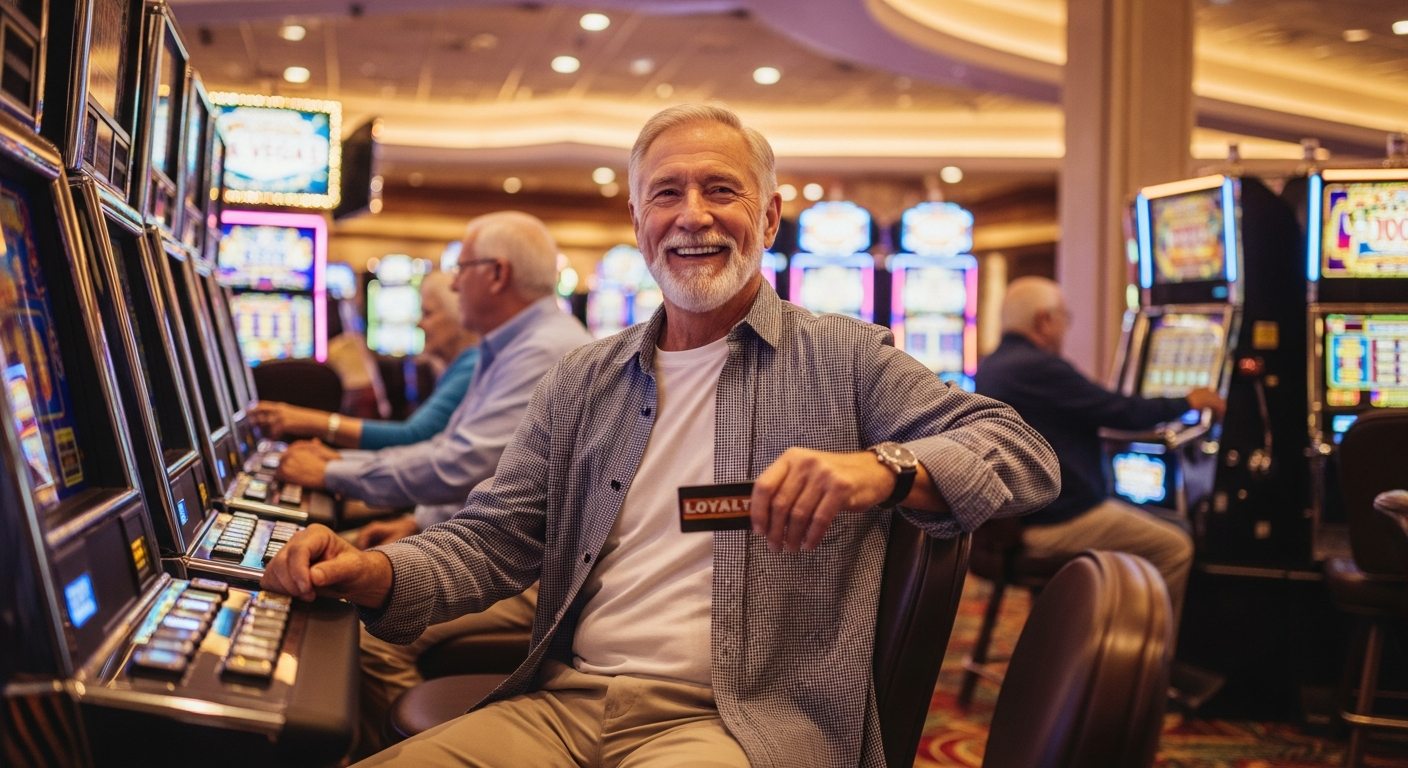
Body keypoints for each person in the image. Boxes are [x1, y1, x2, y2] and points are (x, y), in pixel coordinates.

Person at [263, 104, 1059, 767]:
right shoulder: (584, 377)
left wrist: (881, 470)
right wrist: (374, 568)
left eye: (722, 189)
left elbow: (1020, 451)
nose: (694, 215)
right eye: (667, 193)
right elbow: (494, 537)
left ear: (771, 215)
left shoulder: (844, 356)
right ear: (639, 218)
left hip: (741, 721)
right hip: (564, 699)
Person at [274, 211, 592, 754]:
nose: (451, 281)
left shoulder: (544, 349)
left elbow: (460, 464)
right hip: (506, 547)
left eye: (459, 268)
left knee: (363, 634)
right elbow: (472, 463)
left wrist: (331, 471)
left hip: (532, 569)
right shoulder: (508, 345)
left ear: (496, 273)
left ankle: (404, 747)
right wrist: (414, 522)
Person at [974, 276, 1225, 632]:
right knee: (1176, 544)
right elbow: (1118, 411)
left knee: (1162, 523)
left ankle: (1093, 645)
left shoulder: (995, 365)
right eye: (1064, 317)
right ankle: (1141, 669)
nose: (1064, 327)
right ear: (1044, 320)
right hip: (1054, 521)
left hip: (1015, 521)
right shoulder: (1038, 367)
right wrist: (1189, 401)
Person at [251, 272, 481, 451]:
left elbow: (413, 438)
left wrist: (303, 421)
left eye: (428, 314)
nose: (419, 324)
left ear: (459, 316)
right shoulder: (455, 366)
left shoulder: (471, 365)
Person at [323, 295, 392, 419]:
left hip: (357, 397)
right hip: (370, 394)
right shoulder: (357, 340)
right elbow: (374, 376)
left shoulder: (331, 348)